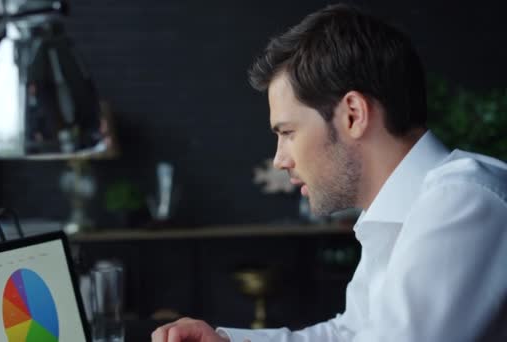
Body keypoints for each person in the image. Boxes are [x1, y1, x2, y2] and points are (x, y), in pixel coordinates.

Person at [151, 3, 507, 342]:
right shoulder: (401, 212)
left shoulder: (464, 200)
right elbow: (350, 334)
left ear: (353, 114)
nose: (280, 159)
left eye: (288, 133)